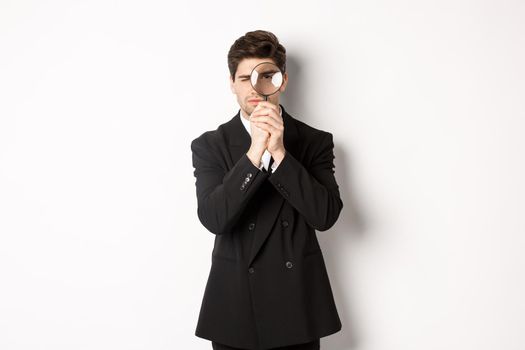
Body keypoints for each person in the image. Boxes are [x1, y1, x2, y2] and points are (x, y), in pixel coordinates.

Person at [190, 30, 343, 350]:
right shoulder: (209, 146)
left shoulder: (314, 142)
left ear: (283, 81)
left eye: (267, 75)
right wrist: (254, 154)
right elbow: (214, 218)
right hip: (235, 309)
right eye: (245, 78)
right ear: (231, 83)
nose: (255, 88)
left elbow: (325, 215)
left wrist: (281, 154)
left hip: (297, 309)